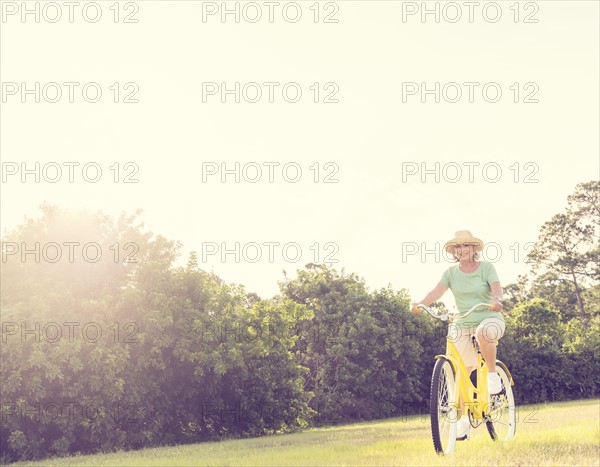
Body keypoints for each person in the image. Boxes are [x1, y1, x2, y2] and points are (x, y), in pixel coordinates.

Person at [411, 230, 505, 441]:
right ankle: (464, 421)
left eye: (465, 246)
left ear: (474, 249)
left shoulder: (486, 268)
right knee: (459, 372)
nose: (461, 250)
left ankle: (492, 376)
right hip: (462, 323)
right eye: (458, 247)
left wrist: (498, 300)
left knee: (483, 332)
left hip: (489, 317)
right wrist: (420, 303)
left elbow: (497, 289)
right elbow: (437, 292)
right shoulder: (451, 273)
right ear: (454, 252)